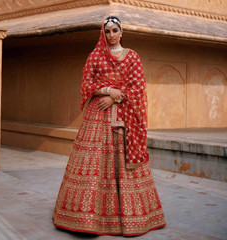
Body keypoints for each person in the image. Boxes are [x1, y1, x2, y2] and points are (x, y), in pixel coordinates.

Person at [52, 16, 166, 236]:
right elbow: (87, 83)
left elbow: (138, 87)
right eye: (107, 31)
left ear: (122, 32)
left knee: (122, 165)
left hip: (124, 117)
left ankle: (132, 217)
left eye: (115, 31)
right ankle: (86, 219)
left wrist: (115, 97)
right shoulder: (95, 56)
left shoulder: (132, 56)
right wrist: (106, 91)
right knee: (93, 164)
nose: (111, 35)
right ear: (102, 34)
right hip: (98, 115)